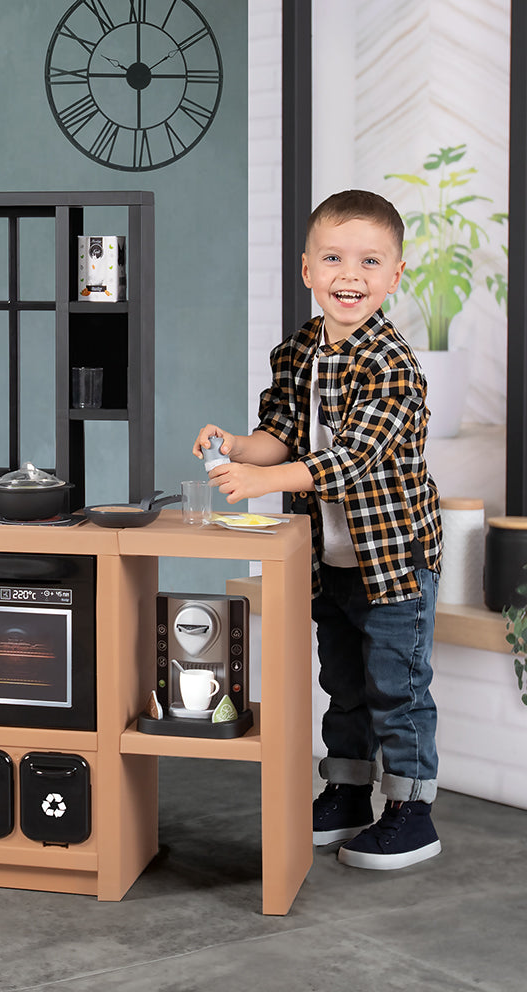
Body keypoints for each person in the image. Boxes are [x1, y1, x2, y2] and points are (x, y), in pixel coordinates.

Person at [194, 189, 442, 871]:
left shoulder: (391, 365)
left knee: (397, 688)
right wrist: (238, 448)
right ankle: (346, 792)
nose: (349, 275)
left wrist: (264, 483)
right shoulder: (300, 349)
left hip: (392, 562)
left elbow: (354, 459)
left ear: (395, 275)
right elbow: (279, 434)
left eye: (369, 261)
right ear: (307, 269)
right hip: (330, 560)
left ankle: (412, 812)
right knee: (344, 683)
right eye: (333, 258)